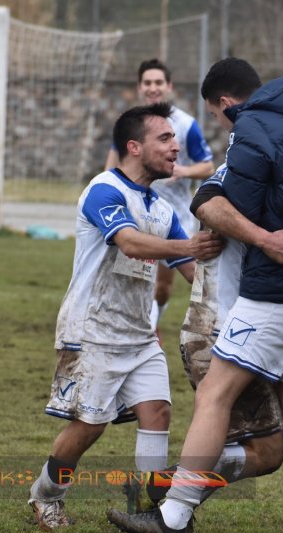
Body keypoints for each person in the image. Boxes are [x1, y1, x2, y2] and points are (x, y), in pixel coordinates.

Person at [107, 58, 283, 533]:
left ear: (226, 105)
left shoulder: (254, 129)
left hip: (276, 292)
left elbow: (218, 206)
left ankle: (172, 517)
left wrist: (251, 229)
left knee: (215, 396)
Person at [28, 102, 223, 531]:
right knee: (89, 427)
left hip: (138, 334)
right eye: (165, 139)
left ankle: (145, 508)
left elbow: (193, 274)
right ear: (134, 147)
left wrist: (232, 289)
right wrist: (190, 247)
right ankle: (45, 496)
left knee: (158, 412)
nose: (176, 148)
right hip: (92, 331)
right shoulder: (104, 190)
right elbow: (130, 243)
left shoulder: (161, 208)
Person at [105, 59, 215, 332]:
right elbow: (112, 162)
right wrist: (106, 187)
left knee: (163, 286)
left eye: (158, 82)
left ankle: (149, 324)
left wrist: (183, 170)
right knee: (131, 275)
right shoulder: (132, 123)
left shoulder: (186, 124)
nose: (152, 88)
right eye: (147, 83)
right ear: (139, 87)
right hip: (132, 213)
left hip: (172, 216)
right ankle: (142, 330)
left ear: (169, 87)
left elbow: (208, 166)